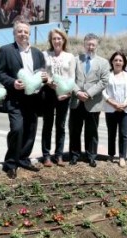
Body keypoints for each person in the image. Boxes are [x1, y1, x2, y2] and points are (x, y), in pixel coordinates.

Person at [0, 19, 46, 179]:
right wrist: (12, 83)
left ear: (29, 34)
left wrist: (44, 77)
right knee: (17, 129)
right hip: (15, 99)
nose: (23, 34)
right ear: (14, 33)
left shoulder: (37, 52)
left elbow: (42, 72)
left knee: (30, 131)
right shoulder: (6, 50)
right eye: (20, 31)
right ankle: (10, 163)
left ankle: (23, 159)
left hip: (33, 99)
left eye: (26, 31)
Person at [69, 33, 110, 167]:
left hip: (93, 102)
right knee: (75, 130)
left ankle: (91, 156)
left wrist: (88, 93)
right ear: (84, 44)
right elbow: (70, 79)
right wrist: (78, 92)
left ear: (97, 46)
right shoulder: (75, 60)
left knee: (92, 131)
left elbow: (104, 81)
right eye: (88, 44)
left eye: (93, 45)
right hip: (76, 101)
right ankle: (74, 155)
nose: (90, 47)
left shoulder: (103, 62)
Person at [41, 28, 75, 167]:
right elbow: (42, 73)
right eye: (54, 38)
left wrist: (67, 93)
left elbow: (72, 77)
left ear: (64, 40)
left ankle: (59, 155)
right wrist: (48, 82)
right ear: (51, 40)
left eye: (59, 38)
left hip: (64, 94)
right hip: (48, 93)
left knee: (60, 126)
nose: (56, 41)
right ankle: (46, 156)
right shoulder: (45, 54)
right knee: (47, 125)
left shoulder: (70, 57)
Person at [103, 51, 127, 167]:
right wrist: (114, 104)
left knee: (123, 134)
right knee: (111, 133)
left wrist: (124, 105)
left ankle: (122, 157)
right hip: (110, 109)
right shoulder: (107, 75)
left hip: (125, 110)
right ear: (112, 61)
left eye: (120, 60)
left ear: (124, 62)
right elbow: (104, 92)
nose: (118, 62)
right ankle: (111, 155)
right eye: (116, 60)